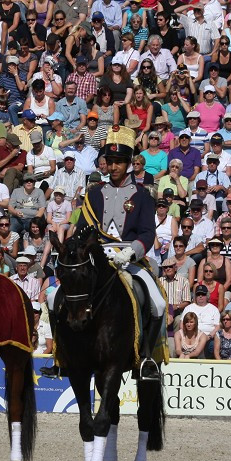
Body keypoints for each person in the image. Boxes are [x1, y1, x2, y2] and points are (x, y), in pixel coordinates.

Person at [61, 125, 165, 380]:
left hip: (129, 259)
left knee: (158, 304)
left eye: (120, 161)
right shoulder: (94, 193)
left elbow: (148, 234)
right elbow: (83, 231)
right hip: (96, 258)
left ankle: (147, 358)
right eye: (111, 161)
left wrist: (130, 253)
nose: (114, 166)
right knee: (56, 298)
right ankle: (63, 356)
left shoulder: (143, 195)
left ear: (129, 163)